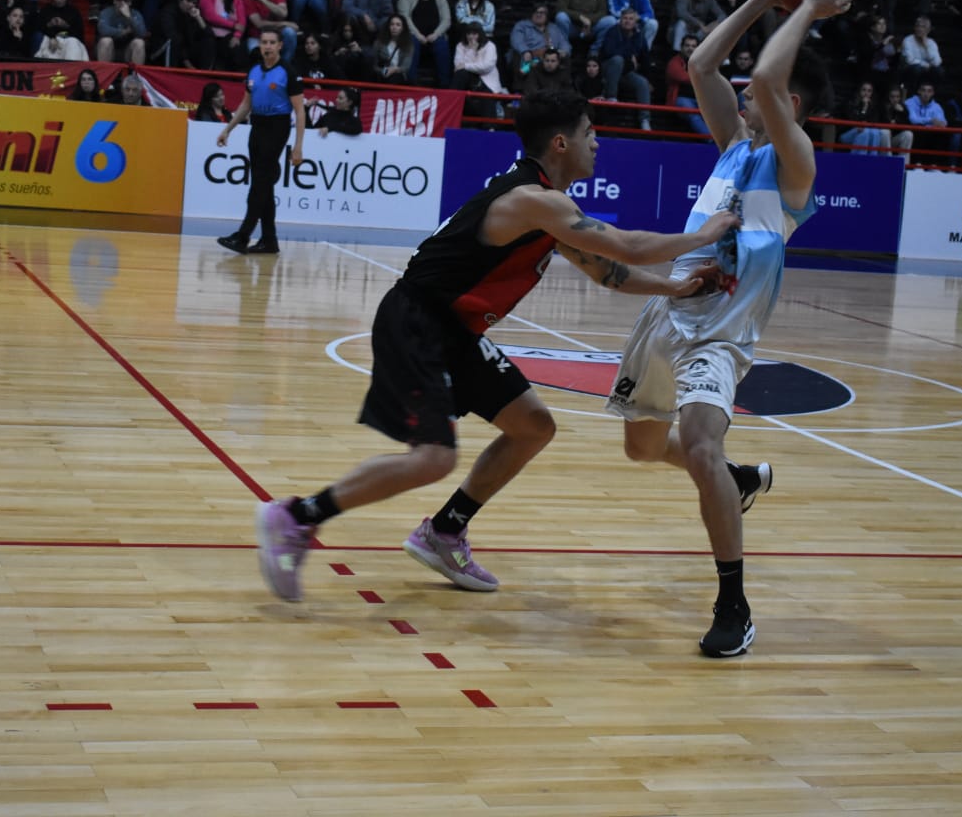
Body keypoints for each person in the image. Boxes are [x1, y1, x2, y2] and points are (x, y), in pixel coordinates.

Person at [252, 89, 740, 603]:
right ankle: (296, 516)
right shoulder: (533, 199)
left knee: (532, 426)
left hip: (455, 329)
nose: (597, 143)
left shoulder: (547, 205)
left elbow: (611, 273)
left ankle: (444, 532)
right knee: (433, 458)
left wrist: (675, 287)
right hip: (417, 319)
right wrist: (702, 233)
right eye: (590, 133)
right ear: (560, 142)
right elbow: (628, 246)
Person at [608, 0, 856, 659]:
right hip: (667, 316)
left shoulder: (795, 167)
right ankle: (737, 482)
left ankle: (733, 605)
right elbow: (702, 64)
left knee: (702, 444)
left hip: (721, 334)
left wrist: (805, 7)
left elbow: (769, 84)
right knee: (644, 448)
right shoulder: (736, 150)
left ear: (791, 102)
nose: (745, 89)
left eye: (764, 89)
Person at [216, 25, 306, 256]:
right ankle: (269, 240)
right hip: (257, 126)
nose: (267, 46)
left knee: (259, 184)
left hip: (277, 127)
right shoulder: (254, 71)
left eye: (271, 43)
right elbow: (246, 104)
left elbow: (300, 111)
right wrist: (228, 129)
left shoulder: (287, 71)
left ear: (279, 46)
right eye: (263, 42)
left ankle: (243, 235)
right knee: (262, 184)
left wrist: (298, 146)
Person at [597, 6, 654, 130]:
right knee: (618, 59)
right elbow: (609, 51)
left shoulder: (639, 36)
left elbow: (645, 59)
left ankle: (645, 120)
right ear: (620, 20)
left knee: (642, 83)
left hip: (625, 72)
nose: (627, 21)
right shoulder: (612, 31)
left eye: (631, 19)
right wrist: (629, 57)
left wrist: (649, 79)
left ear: (635, 22)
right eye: (625, 18)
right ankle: (611, 97)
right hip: (608, 69)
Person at [397, 0, 451, 86]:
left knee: (442, 46)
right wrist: (418, 35)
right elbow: (404, 17)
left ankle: (444, 85)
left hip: (434, 36)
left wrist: (436, 34)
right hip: (413, 35)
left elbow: (447, 20)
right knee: (412, 43)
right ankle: (410, 83)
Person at [665, 34, 711, 139]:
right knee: (693, 113)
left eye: (693, 46)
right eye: (687, 45)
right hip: (681, 99)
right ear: (681, 47)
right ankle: (711, 140)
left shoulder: (703, 62)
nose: (690, 48)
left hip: (701, 99)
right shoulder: (674, 62)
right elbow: (684, 77)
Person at [157, 0, 214, 70]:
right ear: (180, 0)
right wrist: (188, 64)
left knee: (208, 41)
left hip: (184, 53)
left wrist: (198, 18)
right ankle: (169, 74)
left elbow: (209, 34)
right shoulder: (169, 12)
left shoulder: (192, 15)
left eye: (194, 3)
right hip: (163, 50)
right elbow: (172, 36)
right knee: (175, 40)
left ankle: (204, 75)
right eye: (188, 1)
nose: (191, 5)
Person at [96, 0, 147, 64]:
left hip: (127, 51)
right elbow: (103, 30)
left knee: (139, 43)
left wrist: (129, 17)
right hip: (108, 50)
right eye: (119, 0)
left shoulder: (136, 14)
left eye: (125, 1)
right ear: (114, 1)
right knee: (106, 41)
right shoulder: (106, 12)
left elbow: (142, 33)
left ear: (130, 3)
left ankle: (136, 75)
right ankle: (105, 74)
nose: (122, 3)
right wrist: (123, 32)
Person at [839, 80, 890, 154]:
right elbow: (853, 121)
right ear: (859, 91)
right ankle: (859, 160)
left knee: (875, 132)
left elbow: (874, 122)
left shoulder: (874, 106)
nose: (866, 93)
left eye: (869, 91)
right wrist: (864, 109)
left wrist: (867, 107)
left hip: (866, 131)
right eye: (864, 90)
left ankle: (872, 159)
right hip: (848, 133)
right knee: (865, 131)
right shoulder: (850, 103)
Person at [369, 13, 414, 83]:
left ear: (403, 28)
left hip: (398, 74)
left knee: (396, 78)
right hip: (381, 74)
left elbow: (405, 66)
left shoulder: (408, 45)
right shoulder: (379, 43)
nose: (394, 27)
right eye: (392, 24)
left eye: (398, 25)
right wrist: (384, 71)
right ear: (388, 27)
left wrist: (394, 69)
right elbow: (374, 65)